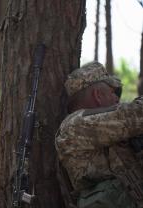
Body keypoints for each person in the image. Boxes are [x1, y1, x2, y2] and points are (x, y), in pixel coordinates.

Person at [55, 61, 143, 208]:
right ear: (97, 95)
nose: (117, 99)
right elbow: (136, 114)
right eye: (112, 92)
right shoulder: (75, 125)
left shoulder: (98, 129)